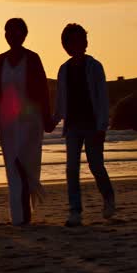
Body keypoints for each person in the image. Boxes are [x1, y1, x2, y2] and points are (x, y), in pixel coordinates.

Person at [53, 23, 115, 227]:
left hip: (92, 125)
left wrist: (102, 126)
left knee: (96, 165)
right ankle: (75, 211)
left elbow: (102, 98)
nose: (80, 44)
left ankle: (108, 197)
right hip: (72, 126)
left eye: (82, 39)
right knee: (72, 168)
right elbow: (62, 100)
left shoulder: (94, 67)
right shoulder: (64, 70)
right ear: (67, 45)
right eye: (74, 40)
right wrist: (54, 119)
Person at [0, 18, 54, 225]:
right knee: (12, 166)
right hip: (8, 122)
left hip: (30, 121)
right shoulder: (0, 60)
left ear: (24, 35)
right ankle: (19, 216)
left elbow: (43, 92)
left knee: (25, 164)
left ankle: (24, 212)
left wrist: (47, 118)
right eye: (8, 31)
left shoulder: (32, 58)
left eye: (16, 32)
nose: (11, 35)